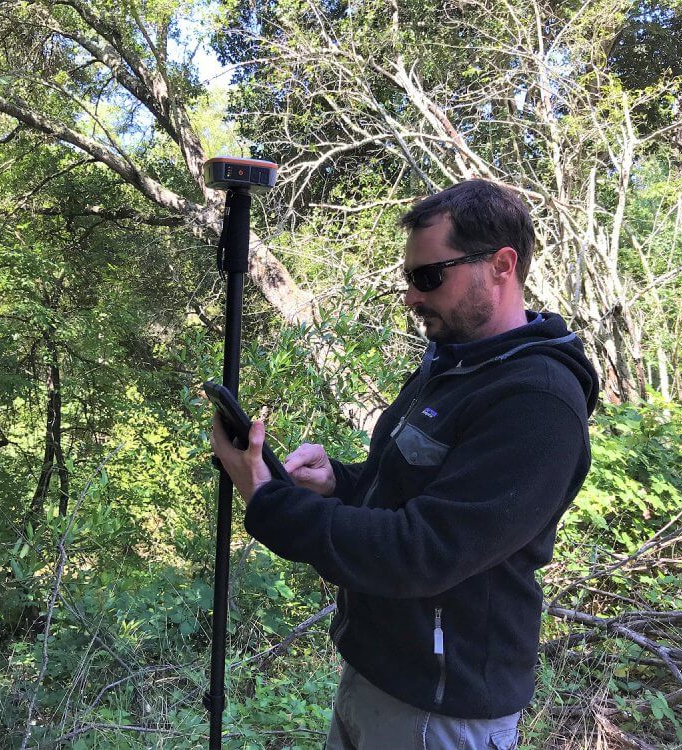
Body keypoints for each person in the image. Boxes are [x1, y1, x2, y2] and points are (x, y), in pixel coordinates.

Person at [211, 179, 599, 750]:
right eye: (409, 278)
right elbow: (407, 490)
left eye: (429, 276)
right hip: (376, 673)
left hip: (442, 711)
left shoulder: (537, 402)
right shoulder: (454, 363)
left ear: (501, 265)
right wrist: (337, 481)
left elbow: (423, 550)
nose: (413, 296)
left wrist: (271, 502)